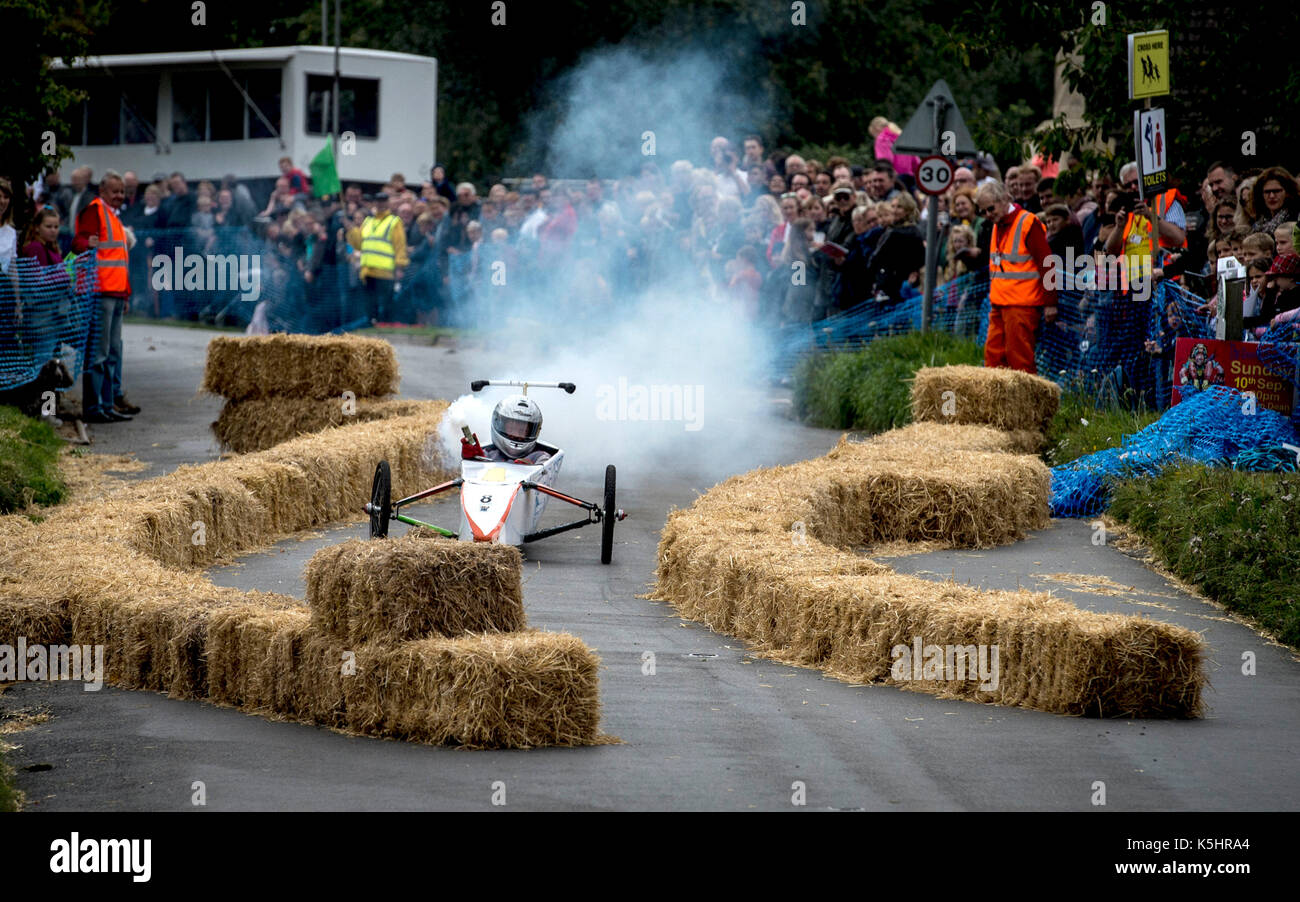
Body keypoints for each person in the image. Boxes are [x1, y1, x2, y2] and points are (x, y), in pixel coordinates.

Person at [73, 171, 137, 423]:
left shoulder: (113, 218)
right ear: (103, 191)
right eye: (115, 191)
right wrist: (86, 242)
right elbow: (78, 243)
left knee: (112, 352)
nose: (120, 196)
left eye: (122, 191)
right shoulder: (95, 211)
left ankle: (107, 405)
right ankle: (93, 408)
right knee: (99, 352)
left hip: (115, 292)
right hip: (100, 292)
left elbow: (120, 260)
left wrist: (126, 294)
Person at [976, 180, 1058, 373]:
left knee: (1020, 361)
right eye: (982, 212)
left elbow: (1047, 263)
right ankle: (998, 402)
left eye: (990, 209)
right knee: (993, 359)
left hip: (1022, 305)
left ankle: (1027, 402)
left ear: (1004, 199)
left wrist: (1050, 303)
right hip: (999, 303)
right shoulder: (998, 224)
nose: (987, 215)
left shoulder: (1027, 222)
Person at [1103, 161, 1186, 290]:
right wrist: (1119, 227)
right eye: (1128, 185)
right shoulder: (1127, 211)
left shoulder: (1166, 200)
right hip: (1135, 287)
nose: (1133, 187)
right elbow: (1110, 252)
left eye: (1136, 182)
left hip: (1166, 282)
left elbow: (1179, 238)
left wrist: (1150, 215)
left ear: (1145, 180)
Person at [347, 192, 408, 324]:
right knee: (370, 304)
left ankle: (386, 327)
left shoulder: (394, 222)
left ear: (387, 204)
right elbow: (359, 244)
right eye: (378, 201)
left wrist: (399, 267)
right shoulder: (368, 221)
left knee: (386, 304)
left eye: (383, 201)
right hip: (367, 270)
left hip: (385, 271)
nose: (380, 204)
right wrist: (352, 230)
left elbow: (400, 246)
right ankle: (373, 326)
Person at [461, 395, 551, 464]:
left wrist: (528, 469)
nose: (516, 435)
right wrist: (473, 460)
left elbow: (543, 472)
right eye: (512, 428)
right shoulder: (488, 455)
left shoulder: (540, 457)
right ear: (499, 424)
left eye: (523, 431)